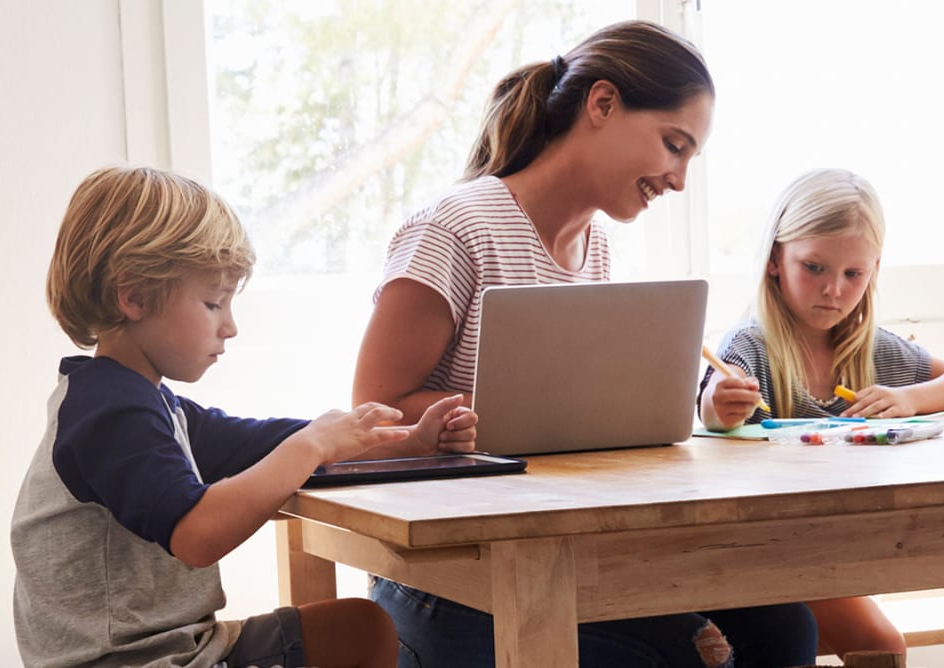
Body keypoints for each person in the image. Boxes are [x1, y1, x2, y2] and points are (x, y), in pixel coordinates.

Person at [350, 20, 819, 667]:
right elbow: (372, 409)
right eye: (673, 145)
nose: (679, 179)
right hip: (445, 574)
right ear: (602, 105)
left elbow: (574, 417)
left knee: (783, 628)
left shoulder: (592, 247)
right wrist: (527, 408)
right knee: (679, 657)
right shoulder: (457, 228)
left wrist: (669, 403)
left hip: (555, 549)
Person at [12, 165, 477, 668]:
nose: (229, 327)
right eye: (213, 303)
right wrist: (313, 446)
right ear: (135, 297)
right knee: (355, 633)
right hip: (130, 662)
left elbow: (264, 441)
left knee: (358, 630)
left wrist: (406, 441)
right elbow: (196, 536)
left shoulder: (149, 404)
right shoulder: (109, 409)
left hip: (181, 646)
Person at [698, 167, 944, 658]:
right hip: (765, 549)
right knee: (879, 644)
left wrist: (912, 399)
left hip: (845, 543)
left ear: (873, 270)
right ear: (774, 260)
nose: (833, 290)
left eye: (853, 274)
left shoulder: (869, 349)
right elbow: (711, 410)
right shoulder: (749, 345)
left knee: (879, 640)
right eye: (814, 267)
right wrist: (721, 406)